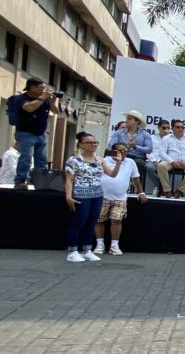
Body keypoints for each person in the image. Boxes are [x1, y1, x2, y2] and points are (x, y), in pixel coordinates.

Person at [64, 132, 120, 262]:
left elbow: (112, 174)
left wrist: (118, 163)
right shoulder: (74, 160)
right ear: (81, 145)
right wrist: (68, 196)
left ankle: (87, 250)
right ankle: (72, 250)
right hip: (81, 194)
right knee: (79, 222)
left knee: (92, 222)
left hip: (97, 195)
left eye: (95, 142)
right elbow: (69, 180)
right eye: (89, 142)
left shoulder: (100, 160)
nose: (93, 145)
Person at [94, 142, 147, 256]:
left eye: (125, 150)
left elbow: (136, 179)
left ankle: (114, 245)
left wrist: (141, 192)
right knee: (99, 220)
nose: (123, 153)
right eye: (120, 150)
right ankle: (100, 244)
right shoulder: (104, 160)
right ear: (113, 151)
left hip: (120, 197)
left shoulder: (130, 162)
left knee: (117, 220)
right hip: (102, 195)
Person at [6, 78, 56, 188]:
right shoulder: (21, 98)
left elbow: (56, 111)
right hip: (25, 133)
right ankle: (20, 181)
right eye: (42, 88)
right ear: (32, 87)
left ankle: (42, 182)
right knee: (26, 157)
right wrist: (42, 98)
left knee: (42, 159)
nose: (44, 90)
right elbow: (28, 108)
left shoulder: (44, 100)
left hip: (41, 134)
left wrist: (52, 102)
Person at [109, 110, 154, 192]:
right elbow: (110, 146)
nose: (126, 120)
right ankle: (115, 184)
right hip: (120, 156)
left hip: (137, 158)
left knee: (138, 163)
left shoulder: (145, 134)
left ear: (137, 122)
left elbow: (149, 149)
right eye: (127, 118)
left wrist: (136, 147)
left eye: (129, 119)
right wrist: (124, 147)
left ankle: (134, 187)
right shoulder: (118, 133)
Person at [154, 120, 185, 198]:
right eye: (178, 127)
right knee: (161, 166)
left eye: (182, 127)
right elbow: (162, 152)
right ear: (173, 128)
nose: (180, 129)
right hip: (170, 162)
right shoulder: (166, 138)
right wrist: (172, 161)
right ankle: (167, 190)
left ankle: (180, 190)